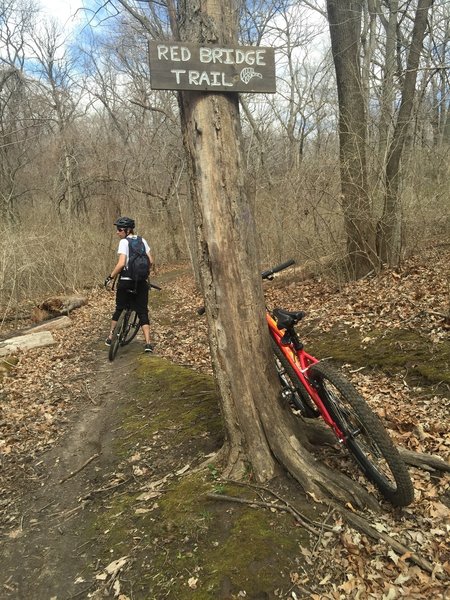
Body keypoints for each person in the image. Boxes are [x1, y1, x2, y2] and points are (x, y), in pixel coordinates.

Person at [105, 216, 154, 352]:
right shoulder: (142, 240)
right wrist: (144, 274)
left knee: (119, 308)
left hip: (126, 282)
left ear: (127, 230)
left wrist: (110, 277)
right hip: (141, 283)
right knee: (142, 312)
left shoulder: (124, 242)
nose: (117, 232)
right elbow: (151, 260)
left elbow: (121, 264)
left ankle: (110, 337)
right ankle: (148, 344)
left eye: (119, 229)